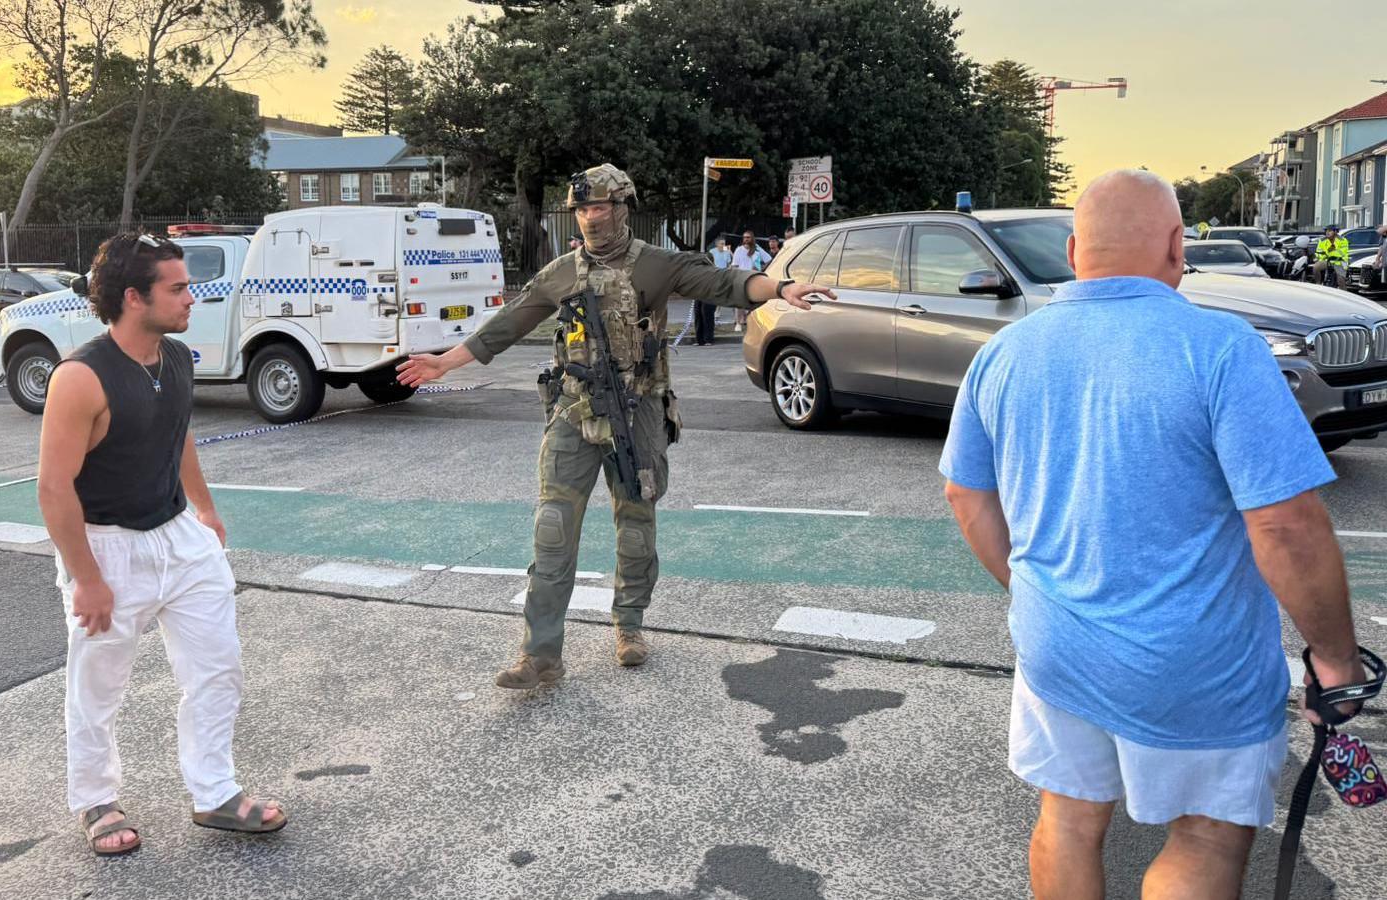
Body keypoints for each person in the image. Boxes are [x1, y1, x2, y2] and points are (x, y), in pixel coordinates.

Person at [940, 169, 1366, 900]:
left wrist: (1032, 589)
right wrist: (1335, 659)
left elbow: (966, 494)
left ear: (1076, 251)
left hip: (1057, 648)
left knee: (1069, 821)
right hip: (1198, 664)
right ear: (1177, 246)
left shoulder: (1004, 352)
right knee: (1204, 834)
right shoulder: (1222, 348)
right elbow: (1285, 526)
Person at [396, 165, 834, 689]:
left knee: (634, 523)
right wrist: (446, 362)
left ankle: (629, 625)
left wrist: (781, 287)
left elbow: (727, 283)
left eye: (598, 207)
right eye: (581, 209)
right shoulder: (561, 272)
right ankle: (540, 655)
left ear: (621, 208)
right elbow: (510, 322)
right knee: (552, 530)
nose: (589, 218)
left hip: (638, 410)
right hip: (575, 412)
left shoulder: (657, 266)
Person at [38, 232, 285, 857]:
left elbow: (178, 437)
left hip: (178, 537)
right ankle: (96, 798)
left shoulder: (176, 358)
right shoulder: (80, 377)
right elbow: (53, 488)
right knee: (98, 686)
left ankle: (214, 792)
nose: (190, 298)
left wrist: (204, 509)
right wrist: (87, 577)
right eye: (176, 289)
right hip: (106, 546)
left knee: (217, 667)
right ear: (132, 297)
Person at [729, 231, 772, 333]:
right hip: (741, 278)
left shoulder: (757, 250)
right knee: (739, 303)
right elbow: (734, 265)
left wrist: (761, 269)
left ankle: (750, 322)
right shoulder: (739, 250)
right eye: (744, 237)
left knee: (753, 303)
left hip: (753, 279)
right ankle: (738, 323)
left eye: (748, 237)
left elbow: (769, 259)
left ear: (752, 238)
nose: (746, 239)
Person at [695, 237, 730, 345]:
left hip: (710, 295)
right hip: (699, 294)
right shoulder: (700, 270)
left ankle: (708, 339)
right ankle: (699, 339)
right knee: (698, 314)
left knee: (707, 314)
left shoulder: (715, 271)